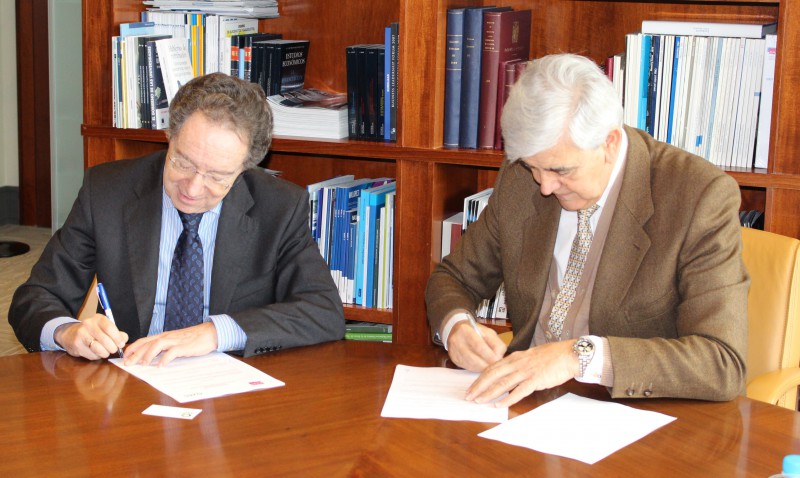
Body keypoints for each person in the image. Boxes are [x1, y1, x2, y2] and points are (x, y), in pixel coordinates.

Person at [426, 54, 748, 407]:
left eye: (561, 170)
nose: (545, 186)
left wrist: (579, 356)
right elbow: (454, 277)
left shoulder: (697, 197)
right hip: (521, 408)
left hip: (632, 417)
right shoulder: (525, 176)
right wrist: (456, 326)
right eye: (535, 167)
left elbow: (721, 362)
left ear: (609, 143)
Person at [9, 73, 345, 366]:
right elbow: (35, 298)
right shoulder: (108, 191)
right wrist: (67, 331)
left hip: (231, 391)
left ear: (245, 168)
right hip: (131, 379)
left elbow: (322, 312)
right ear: (169, 137)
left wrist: (215, 332)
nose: (193, 188)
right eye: (182, 162)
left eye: (216, 176)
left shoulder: (279, 207)